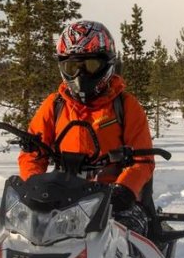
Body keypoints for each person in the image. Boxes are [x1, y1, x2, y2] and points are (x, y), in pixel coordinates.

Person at [19, 20, 155, 236]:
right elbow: (32, 154)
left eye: (90, 66)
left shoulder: (125, 105)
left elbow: (143, 160)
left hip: (113, 198)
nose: (80, 75)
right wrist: (34, 184)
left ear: (106, 64)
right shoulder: (55, 105)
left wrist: (124, 190)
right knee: (23, 236)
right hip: (61, 195)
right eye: (72, 67)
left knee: (122, 242)